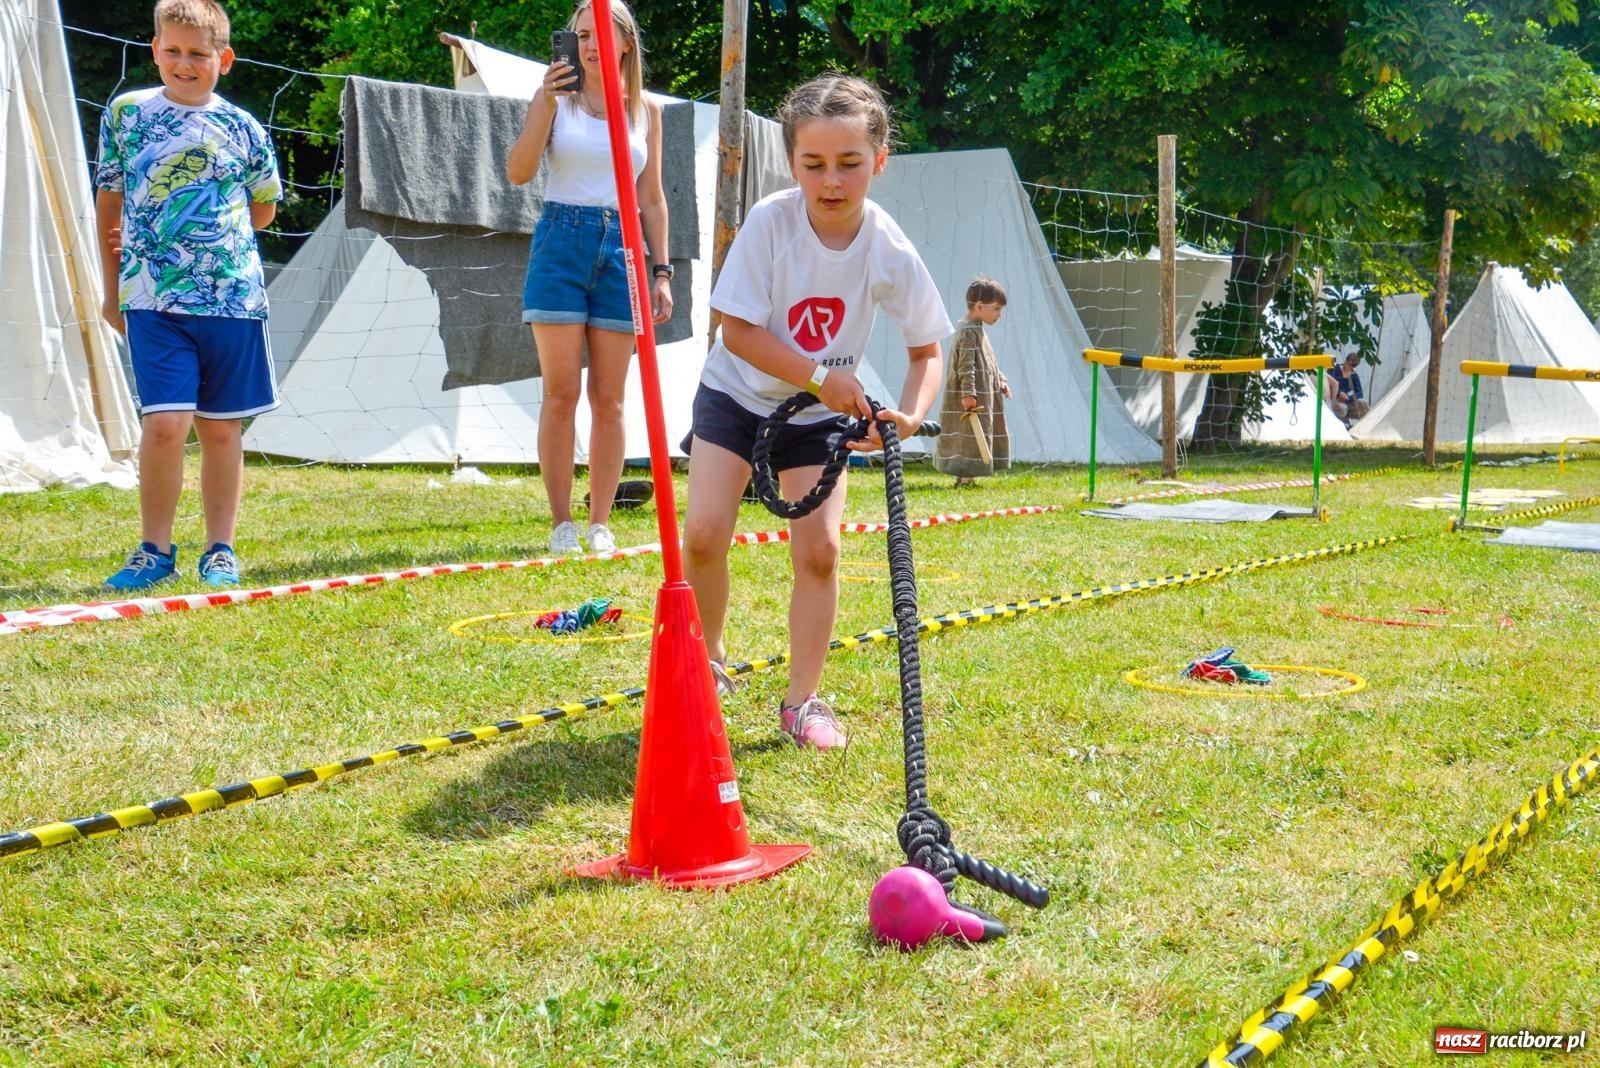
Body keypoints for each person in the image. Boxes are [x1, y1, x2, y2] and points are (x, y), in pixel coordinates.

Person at [680, 73, 949, 751]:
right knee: (705, 535)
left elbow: (926, 350)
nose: (831, 181)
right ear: (791, 161)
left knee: (822, 553)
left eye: (849, 163)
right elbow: (736, 332)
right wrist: (820, 376)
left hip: (817, 417)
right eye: (814, 163)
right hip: (736, 397)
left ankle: (802, 702)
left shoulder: (887, 246)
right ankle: (707, 666)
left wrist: (908, 416)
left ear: (879, 161)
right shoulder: (771, 223)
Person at [94, 0, 282, 590]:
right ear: (154, 50)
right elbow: (109, 203)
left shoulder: (243, 127)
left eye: (198, 53)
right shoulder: (127, 114)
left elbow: (264, 207)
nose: (184, 63)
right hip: (151, 297)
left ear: (223, 59)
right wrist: (111, 291)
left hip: (231, 300)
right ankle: (154, 549)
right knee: (165, 423)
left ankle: (220, 550)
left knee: (220, 428)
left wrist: (206, 227)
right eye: (172, 50)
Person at [507, 0, 672, 556]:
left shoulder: (646, 109)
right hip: (562, 238)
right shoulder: (557, 99)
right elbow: (519, 172)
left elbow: (652, 198)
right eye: (581, 35)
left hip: (623, 246)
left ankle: (600, 521)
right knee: (560, 393)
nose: (589, 45)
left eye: (599, 33)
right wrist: (544, 103)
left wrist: (662, 271)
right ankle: (562, 523)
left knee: (610, 397)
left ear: (625, 41)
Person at [933, 277, 1012, 487]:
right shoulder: (968, 332)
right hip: (971, 397)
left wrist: (1000, 379)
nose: (999, 314)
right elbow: (966, 366)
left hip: (983, 394)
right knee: (968, 435)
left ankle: (969, 476)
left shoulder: (977, 329)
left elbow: (988, 359)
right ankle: (965, 476)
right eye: (996, 309)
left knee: (978, 434)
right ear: (979, 306)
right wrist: (969, 393)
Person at [1329, 352, 1369, 427]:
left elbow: (1360, 393)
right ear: (1345, 360)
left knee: (1364, 407)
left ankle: (1364, 427)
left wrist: (1348, 396)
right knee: (1341, 409)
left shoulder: (1354, 376)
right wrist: (1339, 393)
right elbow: (1330, 382)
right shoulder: (1334, 368)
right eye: (1347, 363)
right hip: (1334, 398)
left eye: (1351, 366)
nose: (1347, 366)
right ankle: (1343, 425)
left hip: (1347, 400)